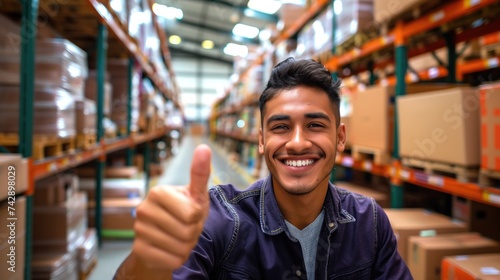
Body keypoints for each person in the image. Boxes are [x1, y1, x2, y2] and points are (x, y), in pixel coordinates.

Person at [114, 57, 413, 279]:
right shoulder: (218, 222)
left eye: (315, 125)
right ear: (261, 140)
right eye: (281, 127)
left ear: (340, 138)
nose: (297, 143)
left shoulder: (369, 223)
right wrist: (144, 263)